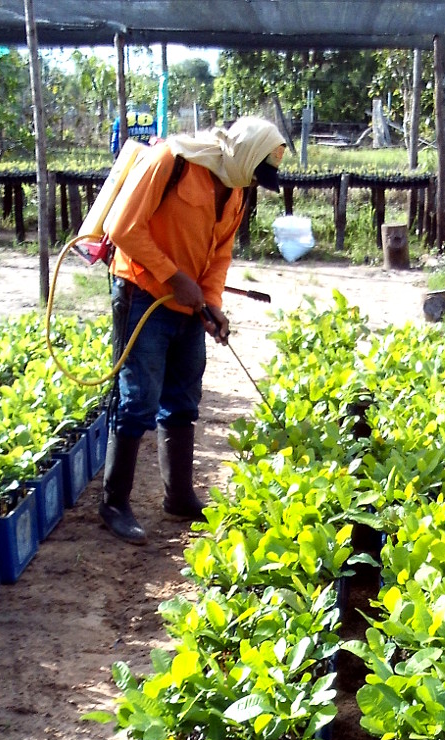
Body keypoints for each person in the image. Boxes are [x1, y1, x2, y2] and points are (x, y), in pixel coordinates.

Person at [99, 116, 285, 544]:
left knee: (183, 398)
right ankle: (113, 502)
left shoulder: (235, 189)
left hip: (188, 302)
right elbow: (122, 228)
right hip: (144, 292)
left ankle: (179, 496)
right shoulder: (172, 160)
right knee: (138, 398)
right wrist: (173, 276)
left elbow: (219, 254)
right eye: (258, 173)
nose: (256, 184)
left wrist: (211, 303)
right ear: (245, 154)